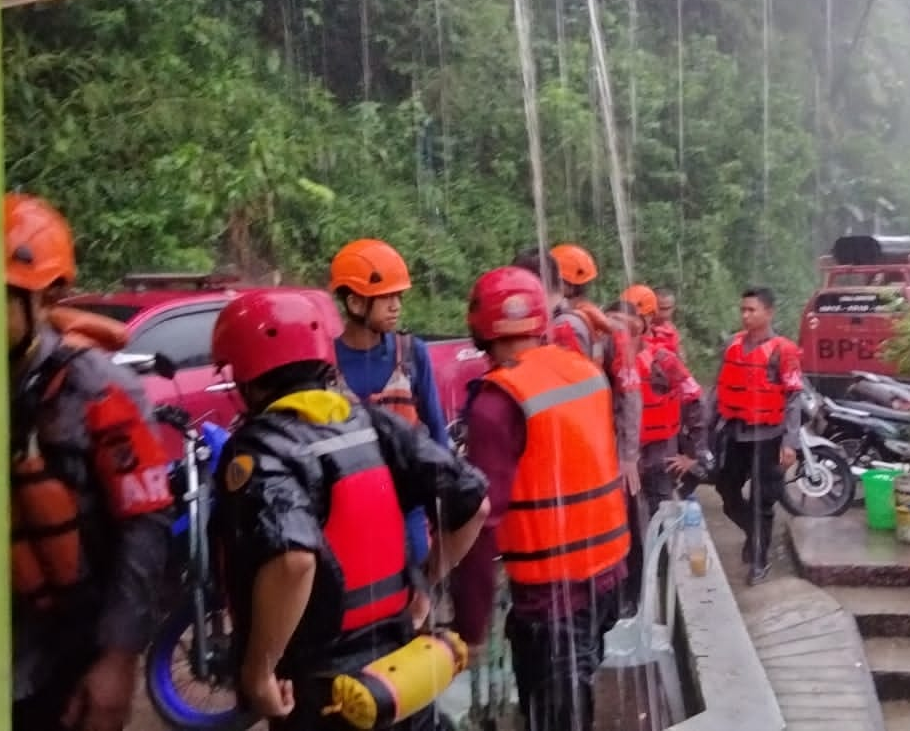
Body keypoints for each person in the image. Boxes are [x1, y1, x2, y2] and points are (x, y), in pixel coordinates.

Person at [208, 289, 490, 731]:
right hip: (399, 673)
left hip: (325, 690)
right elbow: (473, 500)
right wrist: (426, 582)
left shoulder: (260, 452)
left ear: (247, 376)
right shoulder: (373, 424)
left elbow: (292, 560)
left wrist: (259, 669)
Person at [4, 193, 176, 731]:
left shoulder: (98, 389)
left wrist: (118, 657)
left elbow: (144, 526)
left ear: (49, 295)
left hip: (64, 647)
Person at [450, 267, 628, 731]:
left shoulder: (498, 404)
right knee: (574, 701)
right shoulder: (584, 371)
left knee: (554, 716)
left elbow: (481, 519)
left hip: (552, 598)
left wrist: (469, 626)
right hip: (607, 578)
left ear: (479, 326)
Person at [329, 238, 452, 568]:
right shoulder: (326, 363)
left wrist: (445, 501)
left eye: (399, 296)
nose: (397, 305)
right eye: (387, 298)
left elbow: (437, 431)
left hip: (407, 506)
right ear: (355, 303)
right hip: (348, 512)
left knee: (416, 599)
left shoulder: (412, 354)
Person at [513, 247, 642, 497]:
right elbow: (629, 394)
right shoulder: (588, 321)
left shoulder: (564, 328)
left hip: (579, 449)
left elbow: (564, 403)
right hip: (601, 442)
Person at [710, 287, 804, 586]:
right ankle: (754, 533)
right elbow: (717, 391)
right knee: (726, 491)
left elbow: (793, 399)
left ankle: (760, 562)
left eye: (752, 310)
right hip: (736, 432)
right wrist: (703, 432)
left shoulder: (783, 350)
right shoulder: (732, 345)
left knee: (763, 500)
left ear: (769, 313)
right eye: (743, 310)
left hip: (769, 436)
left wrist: (790, 443)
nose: (746, 315)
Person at [616, 287, 707, 516]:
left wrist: (692, 454)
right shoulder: (612, 360)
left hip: (659, 455)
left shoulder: (663, 360)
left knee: (662, 517)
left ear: (647, 318)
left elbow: (694, 400)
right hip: (626, 456)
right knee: (630, 521)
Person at [647, 285, 685, 360]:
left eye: (668, 308)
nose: (665, 314)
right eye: (661, 309)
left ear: (674, 307)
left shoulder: (671, 329)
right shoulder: (642, 329)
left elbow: (681, 358)